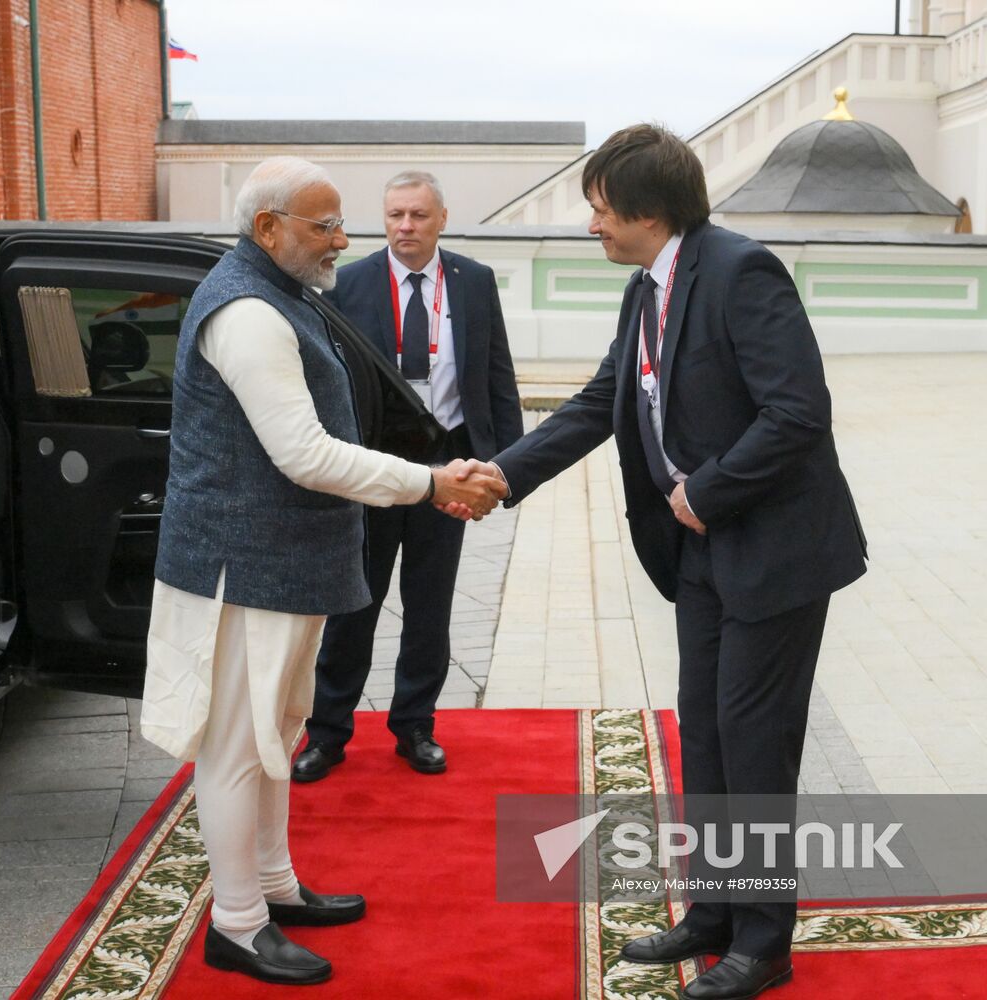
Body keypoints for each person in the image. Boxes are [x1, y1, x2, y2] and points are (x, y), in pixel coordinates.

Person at [457, 124, 867, 1000]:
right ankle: (711, 915)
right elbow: (607, 396)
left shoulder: (738, 271)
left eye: (600, 210)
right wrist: (504, 473)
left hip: (772, 553)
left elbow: (797, 412)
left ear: (648, 211)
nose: (592, 226)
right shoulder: (647, 285)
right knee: (708, 738)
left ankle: (764, 943)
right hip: (700, 557)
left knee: (755, 750)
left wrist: (706, 492)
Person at [139, 157, 504, 986]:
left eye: (342, 223)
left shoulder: (283, 294)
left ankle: (272, 887)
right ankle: (236, 923)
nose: (343, 240)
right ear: (268, 229)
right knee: (237, 746)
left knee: (276, 736)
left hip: (285, 563)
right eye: (324, 225)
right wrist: (430, 481)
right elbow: (302, 454)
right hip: (245, 566)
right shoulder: (247, 312)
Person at [292, 171, 524, 782]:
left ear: (441, 218)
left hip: (448, 466)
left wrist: (508, 466)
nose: (405, 227)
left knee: (430, 608)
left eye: (418, 216)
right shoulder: (351, 282)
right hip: (371, 469)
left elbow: (496, 372)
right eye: (395, 215)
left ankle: (415, 726)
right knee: (353, 606)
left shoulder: (472, 282)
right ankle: (328, 733)